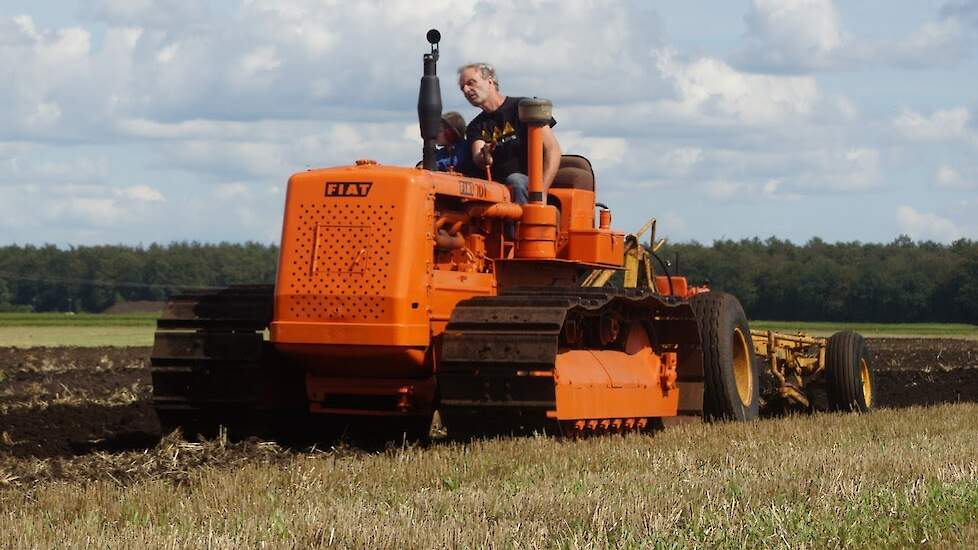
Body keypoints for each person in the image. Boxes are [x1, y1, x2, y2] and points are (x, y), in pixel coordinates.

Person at [458, 63, 561, 205]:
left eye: (471, 83)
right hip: (497, 189)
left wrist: (540, 192)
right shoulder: (475, 126)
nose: (466, 90)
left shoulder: (524, 107)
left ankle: (523, 224)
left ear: (489, 81)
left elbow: (552, 149)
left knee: (516, 180)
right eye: (462, 87)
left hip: (530, 183)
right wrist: (485, 155)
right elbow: (479, 156)